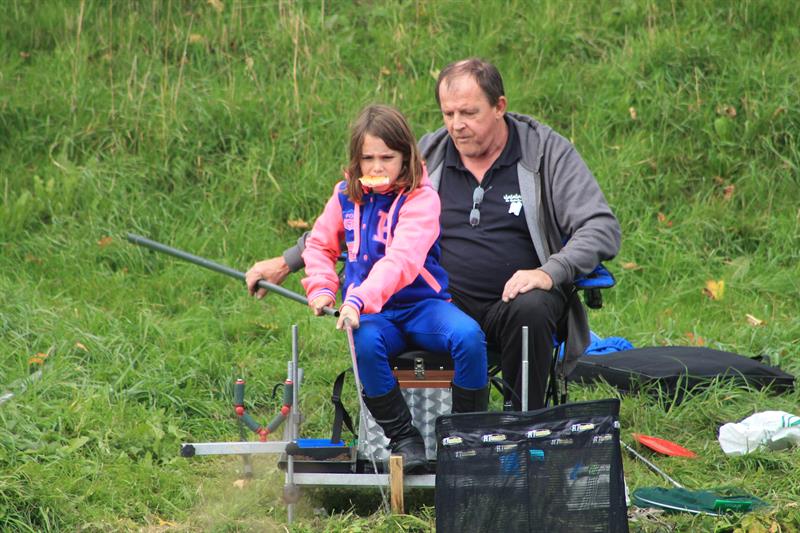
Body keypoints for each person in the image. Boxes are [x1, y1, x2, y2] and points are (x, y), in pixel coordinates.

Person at [246, 58, 621, 412]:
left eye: (469, 113)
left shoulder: (544, 152)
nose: (457, 125)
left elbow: (601, 227)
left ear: (500, 106)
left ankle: (521, 428)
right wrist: (287, 262)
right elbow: (356, 212)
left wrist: (549, 272)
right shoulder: (429, 154)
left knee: (533, 306)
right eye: (448, 113)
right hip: (441, 301)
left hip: (516, 303)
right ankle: (430, 434)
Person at [298, 104, 488, 472]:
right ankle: (404, 439)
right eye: (367, 158)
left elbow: (401, 260)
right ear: (356, 161)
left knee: (468, 336)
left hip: (422, 307)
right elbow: (319, 246)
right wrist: (322, 287)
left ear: (406, 157)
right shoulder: (344, 196)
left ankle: (464, 439)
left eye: (387, 157)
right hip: (374, 316)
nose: (376, 167)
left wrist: (357, 298)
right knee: (365, 342)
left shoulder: (422, 199)